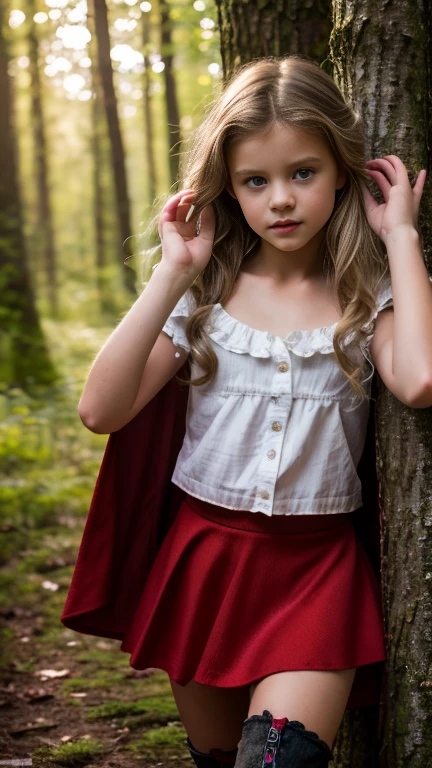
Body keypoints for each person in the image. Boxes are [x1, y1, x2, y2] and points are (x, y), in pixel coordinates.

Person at [62, 55, 430, 768]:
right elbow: (101, 411)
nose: (281, 200)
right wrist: (172, 273)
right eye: (254, 181)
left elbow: (418, 380)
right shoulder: (206, 298)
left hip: (316, 573)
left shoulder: (367, 295)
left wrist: (402, 238)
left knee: (278, 762)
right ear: (228, 189)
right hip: (206, 565)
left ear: (342, 171)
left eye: (303, 172)